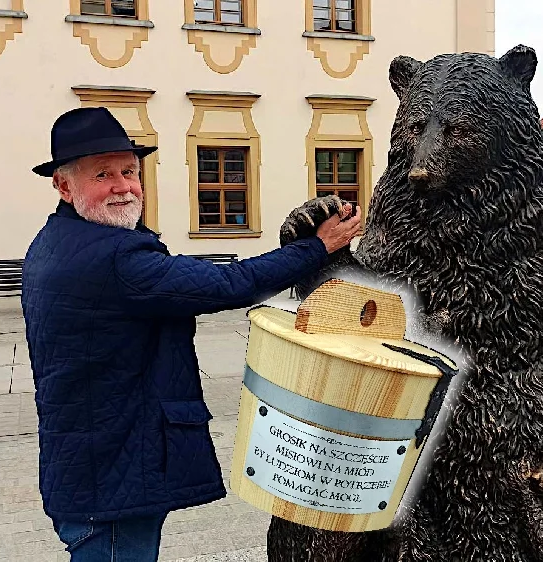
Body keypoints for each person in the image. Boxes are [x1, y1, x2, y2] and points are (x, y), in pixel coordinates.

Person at [21, 107, 361, 561]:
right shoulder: (113, 259)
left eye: (129, 171)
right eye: (102, 174)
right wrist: (318, 247)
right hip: (113, 475)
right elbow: (229, 284)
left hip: (91, 463)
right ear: (64, 186)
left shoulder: (54, 242)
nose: (123, 186)